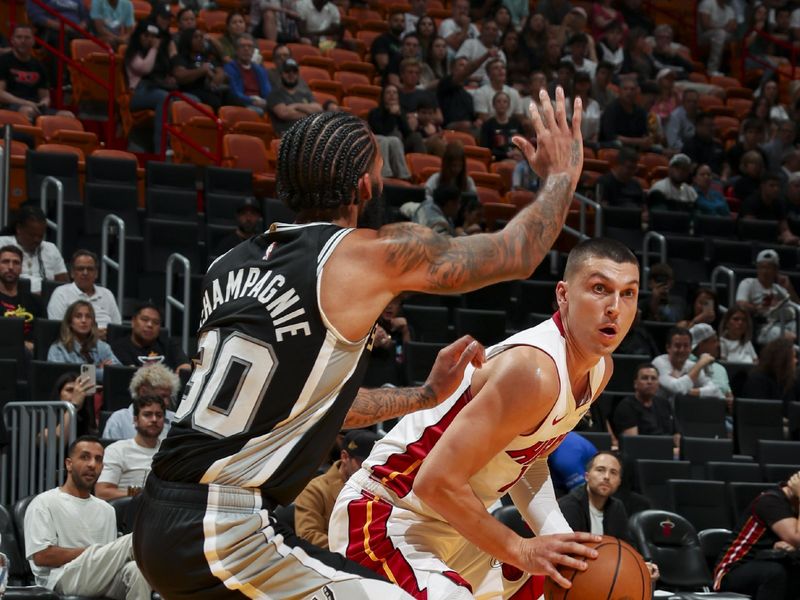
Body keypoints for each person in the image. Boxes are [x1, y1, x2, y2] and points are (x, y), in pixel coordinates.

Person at [133, 89, 587, 600]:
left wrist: (421, 397)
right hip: (226, 528)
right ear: (366, 185)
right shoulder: (365, 256)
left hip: (156, 517)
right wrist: (563, 175)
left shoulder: (226, 267)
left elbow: (302, 407)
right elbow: (517, 253)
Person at [329, 237, 640, 598]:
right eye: (600, 289)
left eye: (628, 293)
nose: (615, 308)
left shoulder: (600, 370)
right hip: (386, 513)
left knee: (552, 584)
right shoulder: (532, 370)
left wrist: (559, 539)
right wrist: (521, 549)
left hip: (457, 527)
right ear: (564, 294)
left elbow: (528, 457)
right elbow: (435, 482)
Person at [23, 436, 153, 599]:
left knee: (136, 571)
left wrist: (99, 555)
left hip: (100, 577)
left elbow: (109, 559)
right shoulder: (44, 502)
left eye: (98, 460)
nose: (92, 464)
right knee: (134, 540)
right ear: (68, 464)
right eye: (85, 457)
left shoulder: (107, 510)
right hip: (61, 578)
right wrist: (92, 554)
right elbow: (42, 556)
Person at [713, 470, 800, 599]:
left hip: (771, 562)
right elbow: (797, 538)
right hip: (733, 571)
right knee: (774, 572)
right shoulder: (771, 501)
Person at [294, 429, 380, 549]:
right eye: (363, 463)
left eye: (374, 465)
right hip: (332, 562)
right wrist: (353, 549)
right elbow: (308, 535)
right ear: (344, 457)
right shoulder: (315, 489)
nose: (368, 469)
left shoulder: (378, 488)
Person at [96, 395, 166, 500]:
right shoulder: (117, 450)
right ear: (135, 420)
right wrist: (138, 493)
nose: (154, 419)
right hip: (127, 511)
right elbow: (102, 492)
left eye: (159, 415)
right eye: (147, 415)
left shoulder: (169, 451)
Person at [124, 19, 179, 153]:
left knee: (188, 100)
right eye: (146, 35)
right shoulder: (132, 51)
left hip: (152, 89)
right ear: (139, 35)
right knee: (164, 98)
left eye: (152, 36)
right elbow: (145, 68)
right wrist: (154, 48)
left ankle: (181, 147)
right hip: (135, 93)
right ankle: (161, 148)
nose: (149, 39)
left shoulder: (155, 53)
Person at [0, 24, 73, 122]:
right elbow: (1, 94)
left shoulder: (39, 66)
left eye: (27, 38)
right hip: (11, 105)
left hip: (35, 106)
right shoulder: (3, 61)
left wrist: (44, 103)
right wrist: (26, 103)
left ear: (33, 41)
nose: (23, 41)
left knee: (68, 115)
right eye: (19, 37)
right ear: (12, 40)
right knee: (28, 111)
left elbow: (45, 96)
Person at [47, 250, 122, 337]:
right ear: (72, 273)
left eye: (90, 269)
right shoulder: (60, 293)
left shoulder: (107, 294)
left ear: (96, 273)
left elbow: (117, 328)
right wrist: (93, 335)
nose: (85, 273)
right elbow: (58, 329)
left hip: (107, 343)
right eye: (80, 269)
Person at [558, 451, 631, 541]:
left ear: (619, 481)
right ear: (587, 476)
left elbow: (626, 545)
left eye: (613, 472)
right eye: (600, 470)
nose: (607, 477)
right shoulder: (569, 505)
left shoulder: (617, 507)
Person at [102, 363, 181, 441]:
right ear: (143, 392)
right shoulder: (119, 421)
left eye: (168, 397)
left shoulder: (175, 421)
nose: (167, 403)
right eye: (162, 396)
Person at [0, 205, 68, 294]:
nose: (36, 240)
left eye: (40, 236)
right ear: (19, 229)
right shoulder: (2, 244)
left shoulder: (51, 249)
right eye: (31, 235)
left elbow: (63, 284)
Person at [736, 249, 799, 344]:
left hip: (784, 322)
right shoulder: (748, 283)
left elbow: (797, 306)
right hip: (764, 327)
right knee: (788, 337)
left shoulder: (778, 288)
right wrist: (759, 308)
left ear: (776, 270)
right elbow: (741, 304)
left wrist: (789, 287)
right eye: (762, 267)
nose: (765, 271)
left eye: (769, 268)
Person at [109, 301, 191, 373]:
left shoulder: (170, 345)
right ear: (133, 321)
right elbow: (128, 374)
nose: (150, 325)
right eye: (144, 319)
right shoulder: (119, 347)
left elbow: (185, 367)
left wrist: (184, 368)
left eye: (156, 322)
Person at [47, 300, 120, 380]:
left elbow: (117, 373)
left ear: (92, 322)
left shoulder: (102, 347)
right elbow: (63, 378)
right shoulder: (58, 349)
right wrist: (99, 370)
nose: (84, 320)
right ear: (70, 322)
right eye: (78, 316)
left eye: (88, 316)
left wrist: (85, 373)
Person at [611, 363, 679, 450]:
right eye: (645, 378)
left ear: (658, 384)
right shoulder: (626, 406)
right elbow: (632, 444)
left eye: (653, 378)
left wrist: (677, 449)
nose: (649, 382)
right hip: (643, 454)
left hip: (669, 452)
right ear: (635, 383)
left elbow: (677, 433)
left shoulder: (664, 403)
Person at [652, 326, 724, 399]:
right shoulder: (659, 362)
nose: (682, 350)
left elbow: (716, 391)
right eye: (677, 346)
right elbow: (677, 388)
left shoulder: (691, 365)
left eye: (686, 346)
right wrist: (699, 365)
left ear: (690, 348)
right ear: (668, 347)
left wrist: (689, 391)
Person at [172, 28, 228, 112]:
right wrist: (202, 71)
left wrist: (216, 78)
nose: (200, 39)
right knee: (213, 101)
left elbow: (220, 71)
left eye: (201, 37)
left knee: (231, 98)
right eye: (196, 37)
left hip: (208, 89)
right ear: (187, 39)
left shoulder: (207, 57)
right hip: (189, 90)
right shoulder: (180, 58)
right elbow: (180, 76)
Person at [0, 244, 43, 353]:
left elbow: (44, 333)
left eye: (16, 262)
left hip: (30, 355)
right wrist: (21, 344)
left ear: (21, 268)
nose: (10, 267)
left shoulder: (35, 301)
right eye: (5, 262)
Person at [266, 57, 322, 136]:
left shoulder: (305, 94)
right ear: (281, 74)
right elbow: (284, 113)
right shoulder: (275, 94)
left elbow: (319, 110)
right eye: (287, 71)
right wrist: (309, 112)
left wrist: (296, 106)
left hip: (307, 133)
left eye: (294, 71)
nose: (291, 74)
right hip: (286, 135)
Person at [741, 338, 800, 412]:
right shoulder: (757, 381)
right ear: (782, 360)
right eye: (793, 357)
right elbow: (759, 412)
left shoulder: (793, 381)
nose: (796, 361)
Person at [741, 173, 800, 246]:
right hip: (750, 242)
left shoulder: (778, 203)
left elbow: (784, 229)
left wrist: (789, 237)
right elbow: (751, 229)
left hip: (773, 241)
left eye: (778, 186)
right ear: (762, 186)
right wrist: (779, 238)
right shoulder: (751, 202)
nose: (776, 189)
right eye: (772, 185)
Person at [599, 77, 654, 150]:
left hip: (635, 148)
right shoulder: (611, 109)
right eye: (625, 89)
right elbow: (611, 136)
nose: (629, 92)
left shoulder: (641, 112)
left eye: (632, 89)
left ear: (637, 92)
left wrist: (646, 141)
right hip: (613, 147)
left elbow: (644, 135)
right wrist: (638, 141)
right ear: (619, 91)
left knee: (657, 149)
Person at [223, 34, 271, 116]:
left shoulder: (260, 70)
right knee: (259, 112)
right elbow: (235, 93)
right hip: (243, 104)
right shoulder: (230, 68)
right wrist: (252, 100)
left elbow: (268, 93)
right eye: (242, 46)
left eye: (249, 46)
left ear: (253, 51)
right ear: (236, 50)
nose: (246, 49)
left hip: (262, 103)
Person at [455, 18, 505, 86]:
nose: (490, 32)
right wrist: (472, 78)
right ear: (481, 30)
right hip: (469, 81)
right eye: (487, 29)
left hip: (491, 85)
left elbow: (502, 77)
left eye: (494, 30)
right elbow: (459, 69)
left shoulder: (500, 53)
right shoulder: (470, 43)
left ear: (497, 33)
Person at [479, 90, 524, 162]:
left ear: (508, 105)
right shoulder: (488, 125)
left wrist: (519, 152)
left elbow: (523, 144)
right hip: (499, 159)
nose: (502, 104)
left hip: (517, 158)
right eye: (498, 101)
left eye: (505, 102)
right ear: (493, 105)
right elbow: (486, 149)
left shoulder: (516, 123)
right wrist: (506, 154)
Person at [697, 0, 736, 76]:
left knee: (734, 37)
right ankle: (712, 69)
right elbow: (705, 25)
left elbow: (733, 26)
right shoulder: (707, 3)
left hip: (722, 35)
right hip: (705, 36)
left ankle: (734, 71)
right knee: (720, 33)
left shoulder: (729, 9)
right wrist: (722, 28)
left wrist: (721, 28)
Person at [371, 10, 405, 82]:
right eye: (396, 20)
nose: (399, 23)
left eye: (402, 21)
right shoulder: (382, 40)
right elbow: (383, 65)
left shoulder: (404, 43)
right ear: (389, 23)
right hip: (386, 79)